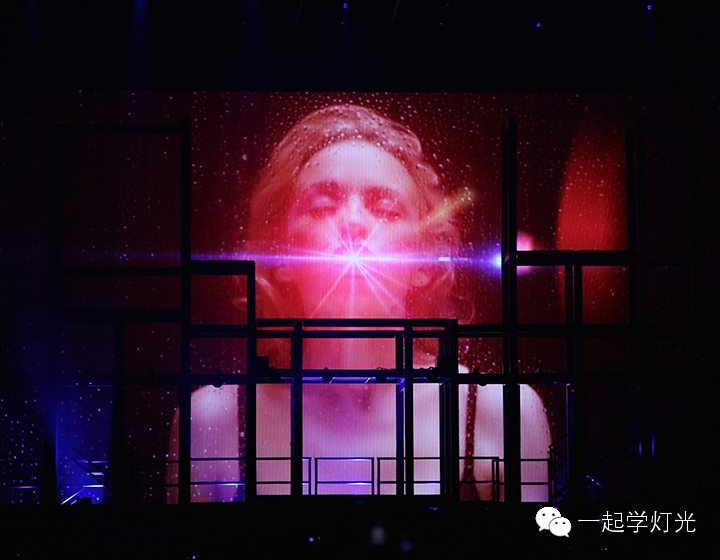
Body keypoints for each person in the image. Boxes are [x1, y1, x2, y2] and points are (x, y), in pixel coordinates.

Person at [167, 103, 550, 501]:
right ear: (281, 257)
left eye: (386, 209)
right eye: (322, 206)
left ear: (423, 262)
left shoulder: (502, 413)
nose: (352, 223)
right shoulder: (211, 421)